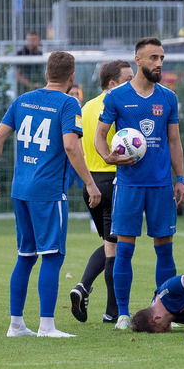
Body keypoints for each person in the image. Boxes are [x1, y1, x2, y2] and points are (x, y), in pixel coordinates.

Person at [0, 51, 102, 338]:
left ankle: (16, 325)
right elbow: (71, 147)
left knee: (25, 256)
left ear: (47, 73)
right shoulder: (68, 103)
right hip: (48, 192)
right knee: (51, 256)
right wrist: (90, 183)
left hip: (20, 190)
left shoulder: (22, 100)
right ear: (71, 77)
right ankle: (46, 326)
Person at [94, 37, 184, 331]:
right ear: (138, 60)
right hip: (129, 185)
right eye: (153, 58)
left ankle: (163, 311)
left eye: (161, 57)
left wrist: (180, 178)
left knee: (165, 250)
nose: (159, 63)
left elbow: (174, 140)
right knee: (124, 250)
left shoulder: (168, 97)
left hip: (161, 186)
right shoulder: (116, 97)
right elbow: (99, 136)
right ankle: (122, 313)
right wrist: (108, 156)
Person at [68, 60, 134, 324]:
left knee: (110, 245)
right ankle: (111, 311)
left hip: (91, 185)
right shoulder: (122, 106)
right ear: (112, 83)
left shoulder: (86, 107)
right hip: (114, 183)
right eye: (128, 79)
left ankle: (84, 288)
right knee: (115, 249)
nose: (133, 83)